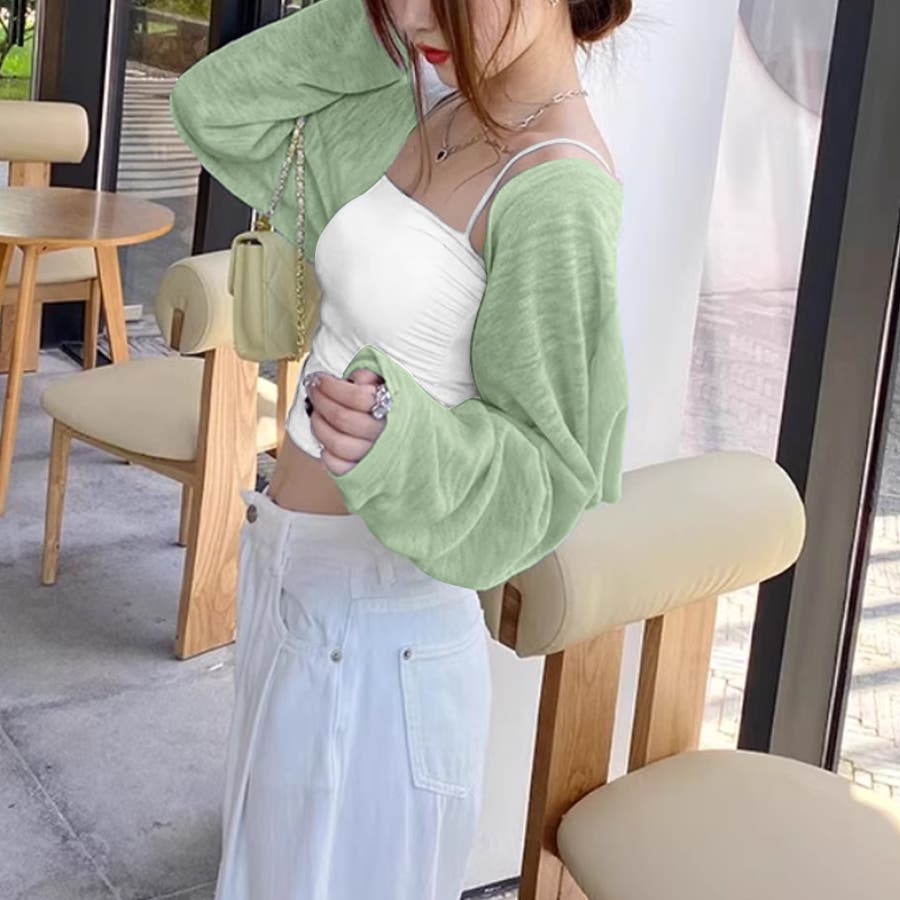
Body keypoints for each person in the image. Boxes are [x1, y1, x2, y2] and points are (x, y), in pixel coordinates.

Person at [168, 0, 631, 897]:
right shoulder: (427, 106)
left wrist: (402, 438)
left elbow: (551, 469)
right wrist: (378, 26)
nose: (415, 15)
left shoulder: (559, 191)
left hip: (384, 636)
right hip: (292, 576)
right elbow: (214, 107)